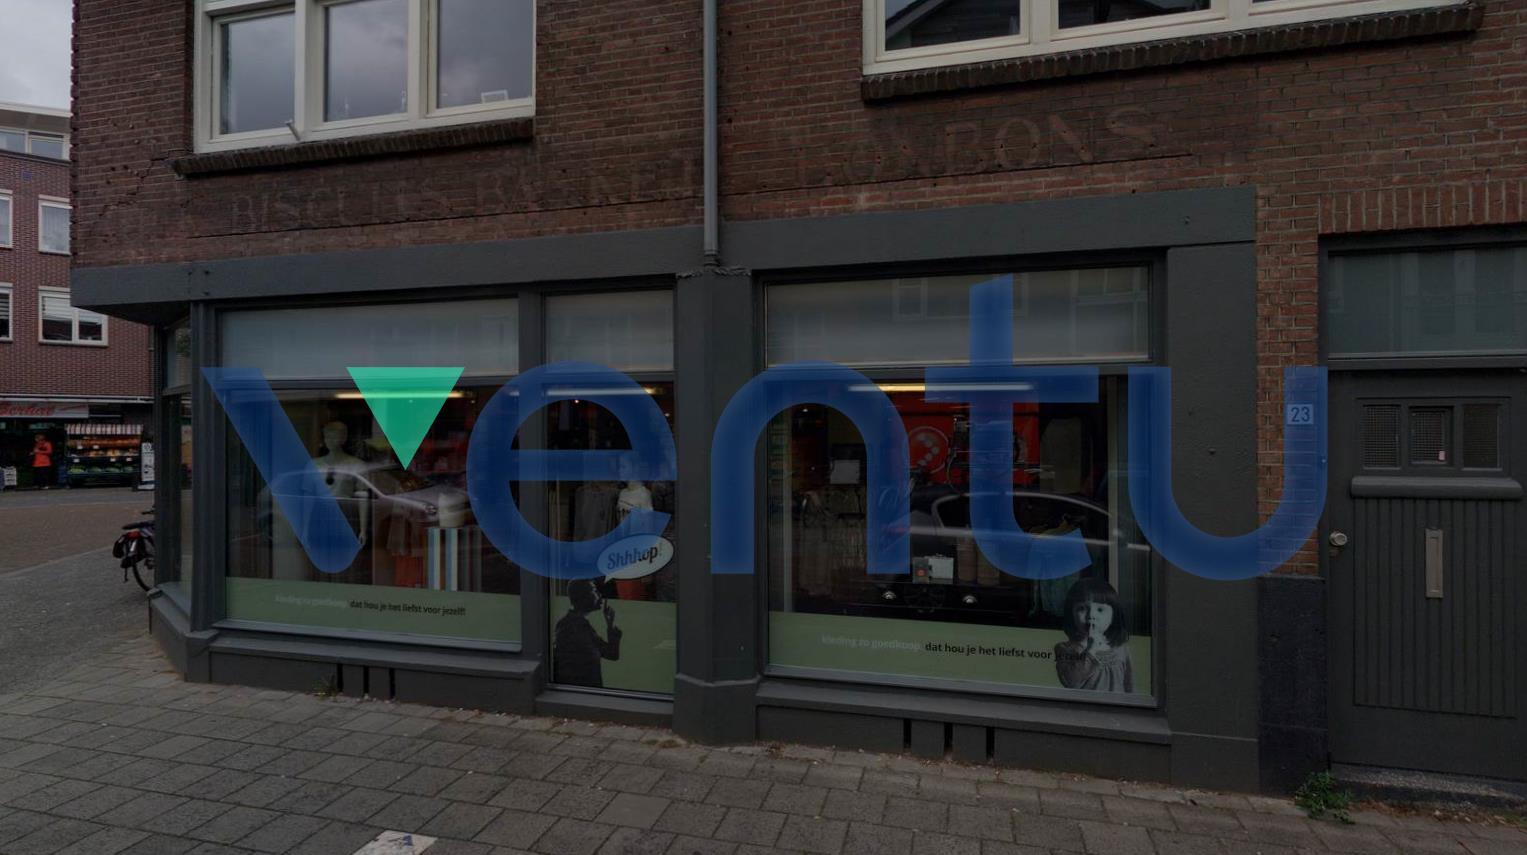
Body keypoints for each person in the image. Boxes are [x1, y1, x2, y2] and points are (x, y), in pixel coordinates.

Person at [1053, 577, 1133, 693]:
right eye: (1082, 608)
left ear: (1113, 615)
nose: (1091, 616)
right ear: (1071, 614)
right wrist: (1091, 650)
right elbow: (1071, 682)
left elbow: (1130, 686)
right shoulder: (1065, 649)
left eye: (1100, 610)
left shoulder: (1121, 648)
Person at [553, 579, 622, 688]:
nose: (600, 595)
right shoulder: (568, 626)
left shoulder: (583, 625)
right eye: (594, 591)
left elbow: (612, 654)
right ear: (582, 596)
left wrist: (610, 625)